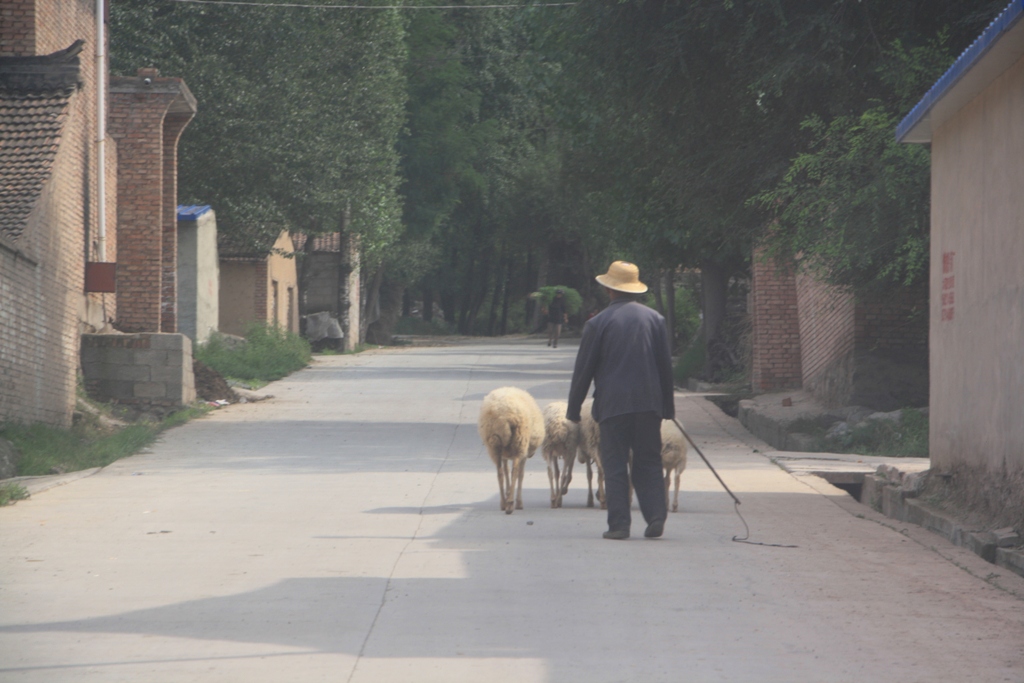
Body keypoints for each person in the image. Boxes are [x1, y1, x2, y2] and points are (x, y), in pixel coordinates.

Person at [566, 261, 675, 540]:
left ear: (608, 289)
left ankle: (619, 525)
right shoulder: (655, 320)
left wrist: (574, 409)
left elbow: (584, 370)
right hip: (649, 405)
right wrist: (668, 408)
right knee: (648, 461)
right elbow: (665, 368)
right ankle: (655, 517)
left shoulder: (597, 323)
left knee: (614, 464)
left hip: (613, 406)